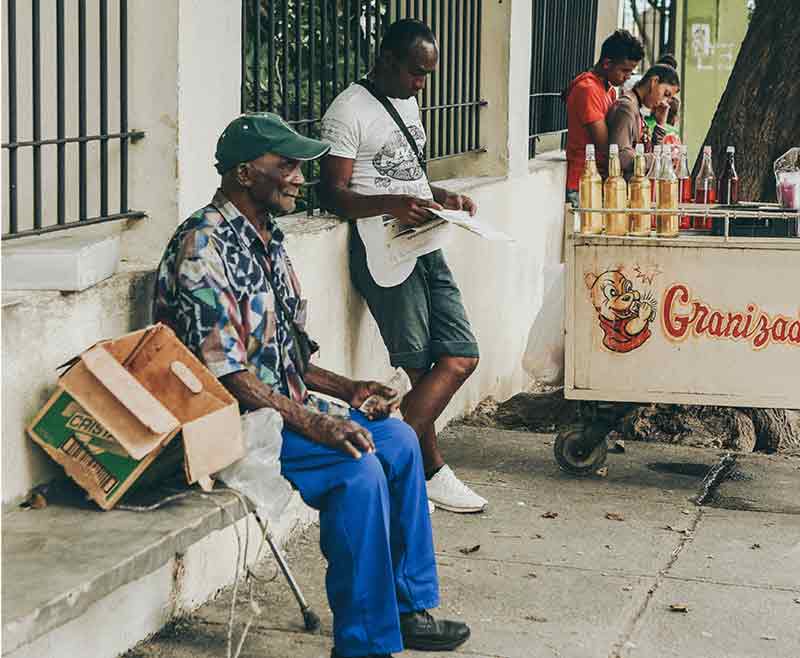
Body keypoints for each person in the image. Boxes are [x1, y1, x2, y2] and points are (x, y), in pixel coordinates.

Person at [153, 112, 471, 658]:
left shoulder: (267, 238)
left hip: (277, 410)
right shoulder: (203, 248)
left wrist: (348, 389)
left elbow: (288, 355)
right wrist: (314, 422)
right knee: (358, 470)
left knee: (399, 440)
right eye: (287, 166)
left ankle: (405, 609)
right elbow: (227, 374)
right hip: (228, 424)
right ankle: (364, 643)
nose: (301, 178)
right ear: (245, 174)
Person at [318, 19, 487, 514]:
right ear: (387, 60)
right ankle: (426, 472)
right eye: (416, 72)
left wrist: (440, 195)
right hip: (383, 250)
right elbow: (332, 193)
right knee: (418, 366)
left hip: (425, 241)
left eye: (427, 74)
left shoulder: (407, 100)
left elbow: (405, 173)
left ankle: (396, 465)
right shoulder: (348, 110)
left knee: (460, 356)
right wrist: (391, 204)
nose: (421, 84)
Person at [563, 29, 644, 205]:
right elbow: (609, 147)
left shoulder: (609, 90)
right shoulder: (588, 89)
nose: (627, 77)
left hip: (602, 180)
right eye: (624, 70)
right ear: (607, 63)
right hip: (583, 183)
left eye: (631, 72)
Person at [606, 64, 681, 177]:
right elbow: (621, 157)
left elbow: (649, 155)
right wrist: (661, 157)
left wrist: (660, 124)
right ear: (654, 82)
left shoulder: (635, 107)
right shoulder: (626, 108)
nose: (664, 102)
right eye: (666, 94)